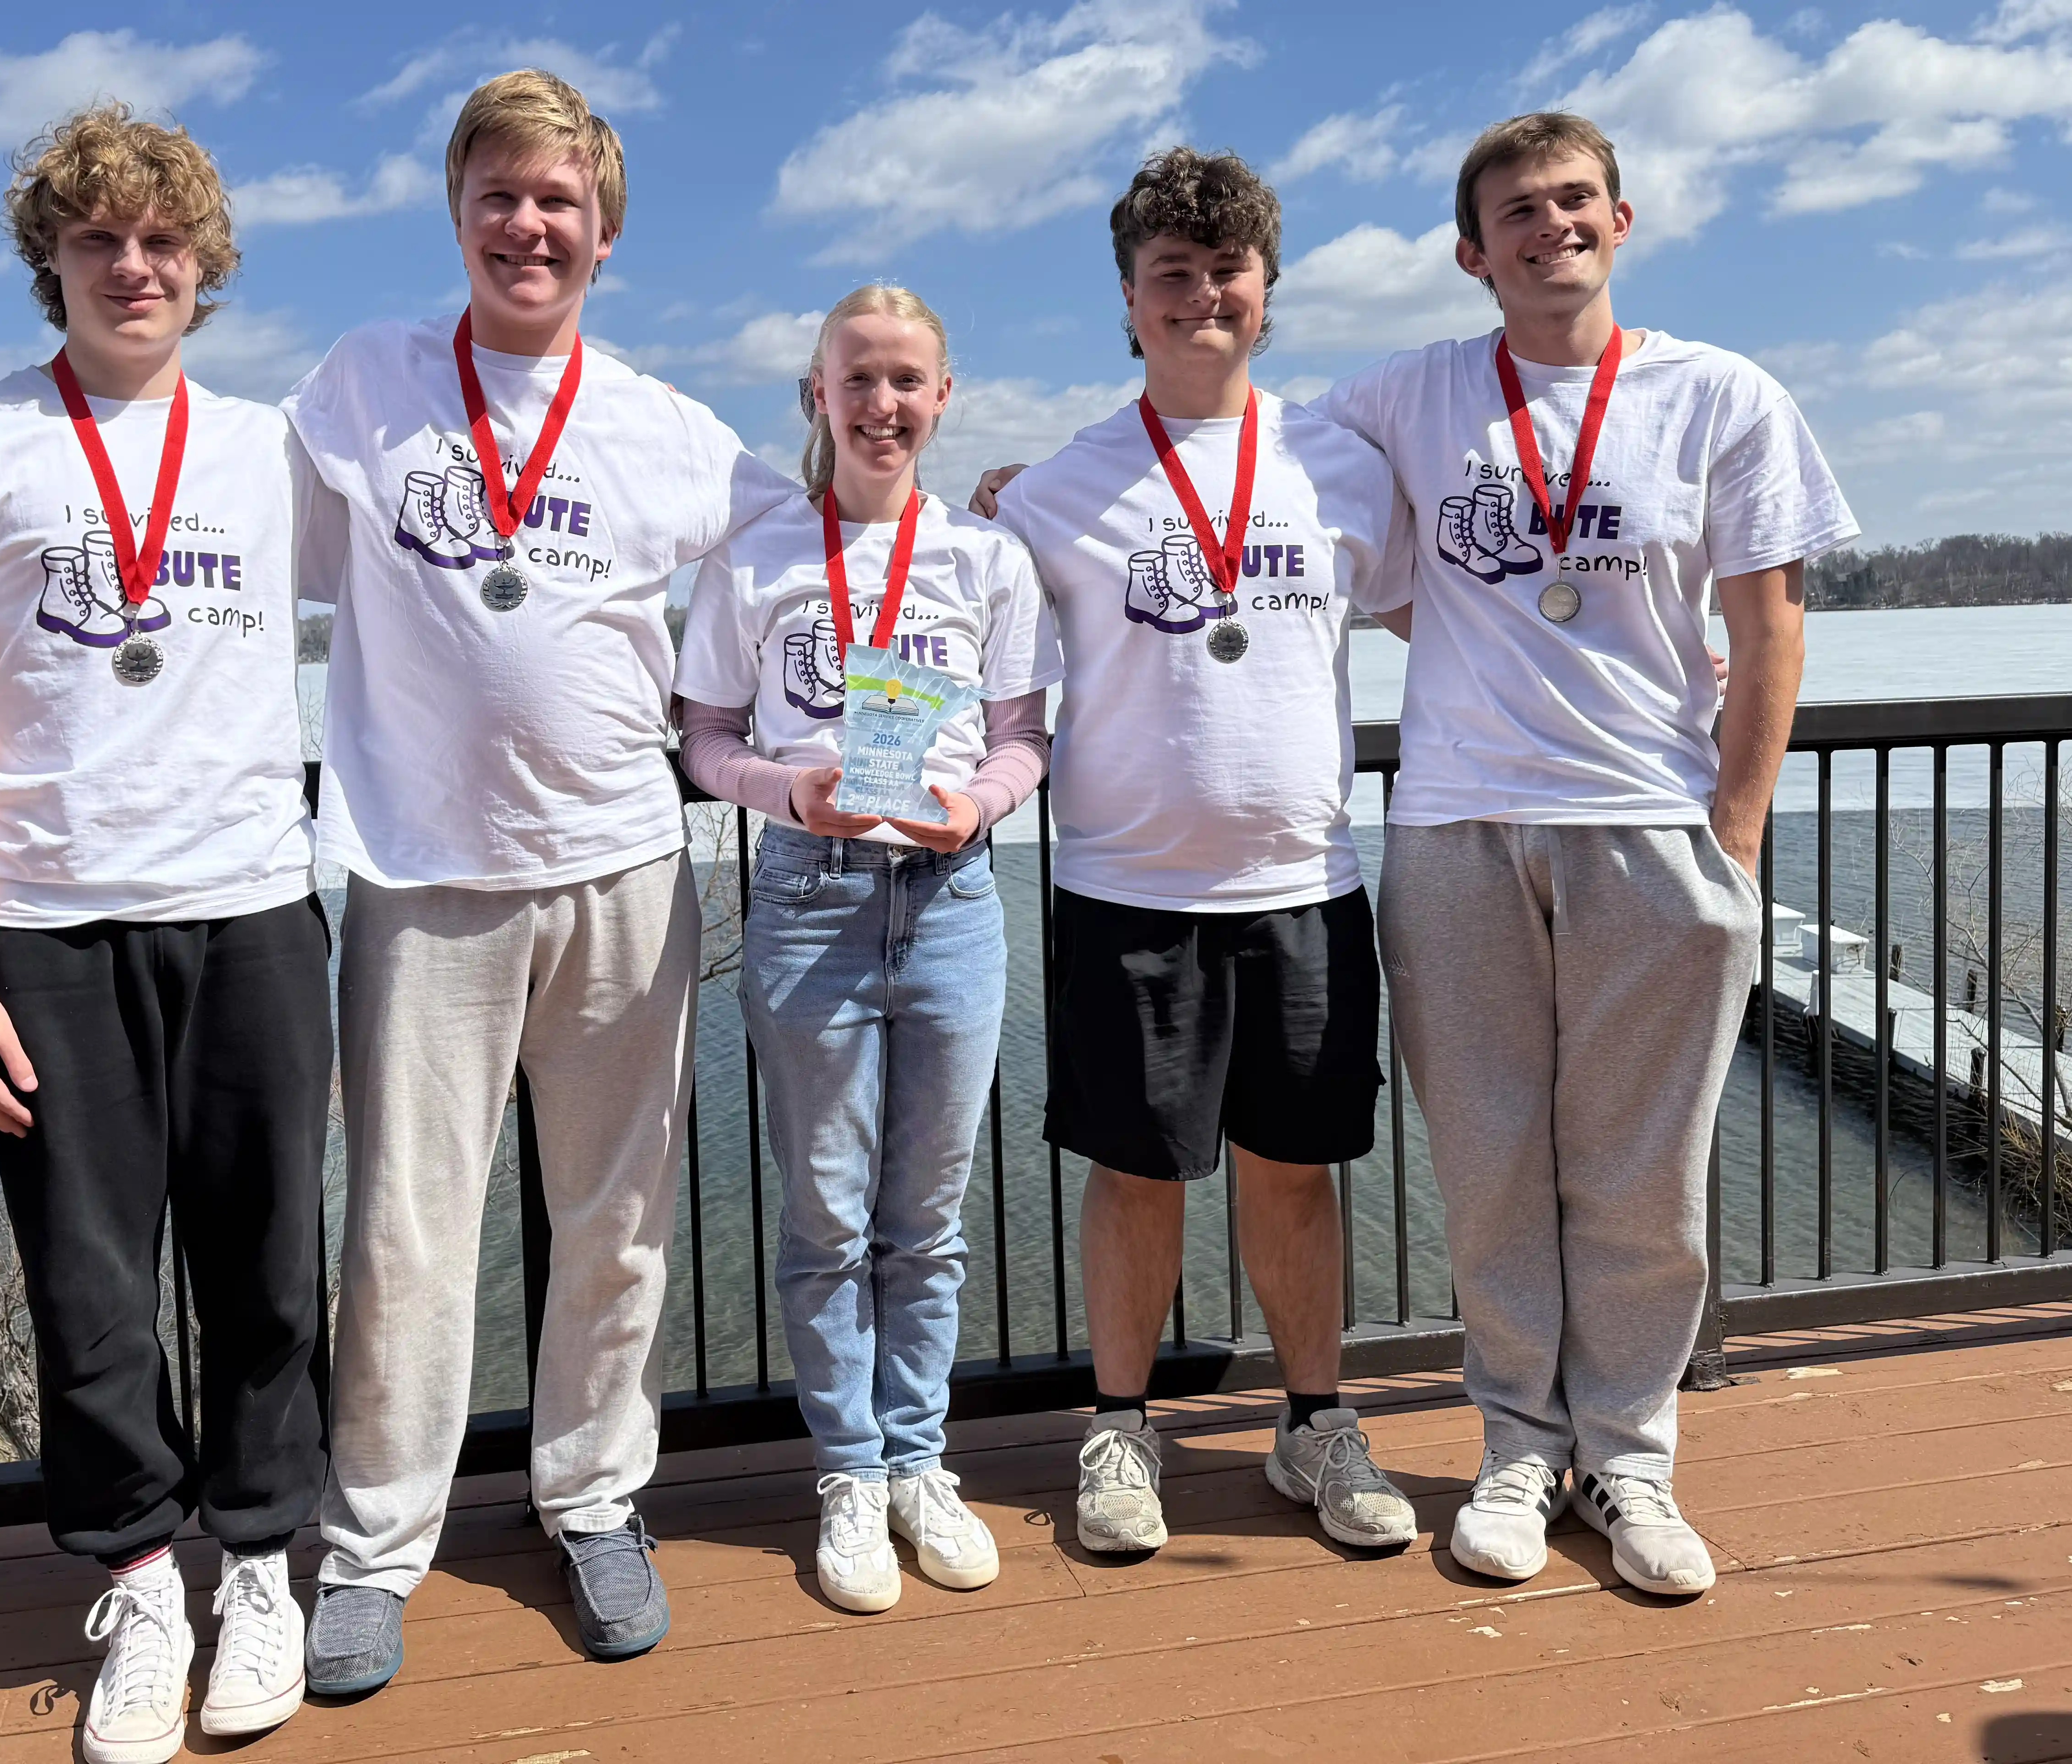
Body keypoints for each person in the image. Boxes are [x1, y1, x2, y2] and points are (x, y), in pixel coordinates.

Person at [284, 69, 786, 1690]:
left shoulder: (667, 426)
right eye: (497, 194)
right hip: (421, 876)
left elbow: (819, 554)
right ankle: (374, 1544)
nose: (526, 224)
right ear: (456, 213)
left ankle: (594, 1497)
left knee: (618, 1221)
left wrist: (970, 524)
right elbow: (246, 543)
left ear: (604, 232)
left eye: (557, 200)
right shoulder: (364, 384)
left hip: (621, 866)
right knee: (404, 1233)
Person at [1308, 112, 1854, 1596]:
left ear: (1621, 221)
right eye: (1516, 210)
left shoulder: (1718, 395)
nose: (1548, 226)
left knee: (1639, 1174)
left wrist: (1730, 834)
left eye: (1573, 201)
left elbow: (1768, 629)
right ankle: (1513, 1447)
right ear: (1469, 252)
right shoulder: (1405, 391)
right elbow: (1236, 447)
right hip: (1455, 829)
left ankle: (1627, 1457)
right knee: (1489, 1163)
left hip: (1647, 826)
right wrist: (1055, 479)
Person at [0, 106, 328, 1764]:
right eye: (97, 239)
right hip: (46, 926)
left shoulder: (275, 447)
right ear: (49, 260)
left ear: (206, 265)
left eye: (163, 240)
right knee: (88, 1287)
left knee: (268, 1270)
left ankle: (258, 1564)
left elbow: (456, 563)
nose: (134, 265)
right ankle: (137, 1582)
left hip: (252, 906)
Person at [969, 148, 1418, 1558]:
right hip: (1126, 887)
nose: (1201, 293)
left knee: (1294, 1170)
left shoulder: (1340, 463)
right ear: (1127, 297)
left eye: (1229, 269)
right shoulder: (1054, 489)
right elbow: (963, 644)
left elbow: (1456, 619)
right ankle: (1118, 1426)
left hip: (1301, 883)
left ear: (1267, 291)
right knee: (1134, 1172)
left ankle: (1313, 1421)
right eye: (1171, 271)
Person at [674, 287, 1057, 1612]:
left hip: (951, 900)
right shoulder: (757, 556)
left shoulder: (988, 560)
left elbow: (1022, 736)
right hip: (810, 898)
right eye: (857, 380)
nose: (881, 406)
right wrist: (787, 792)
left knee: (927, 1219)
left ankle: (918, 1461)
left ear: (941, 398)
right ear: (816, 396)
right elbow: (704, 737)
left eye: (906, 382)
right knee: (829, 1216)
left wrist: (981, 805)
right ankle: (847, 1470)